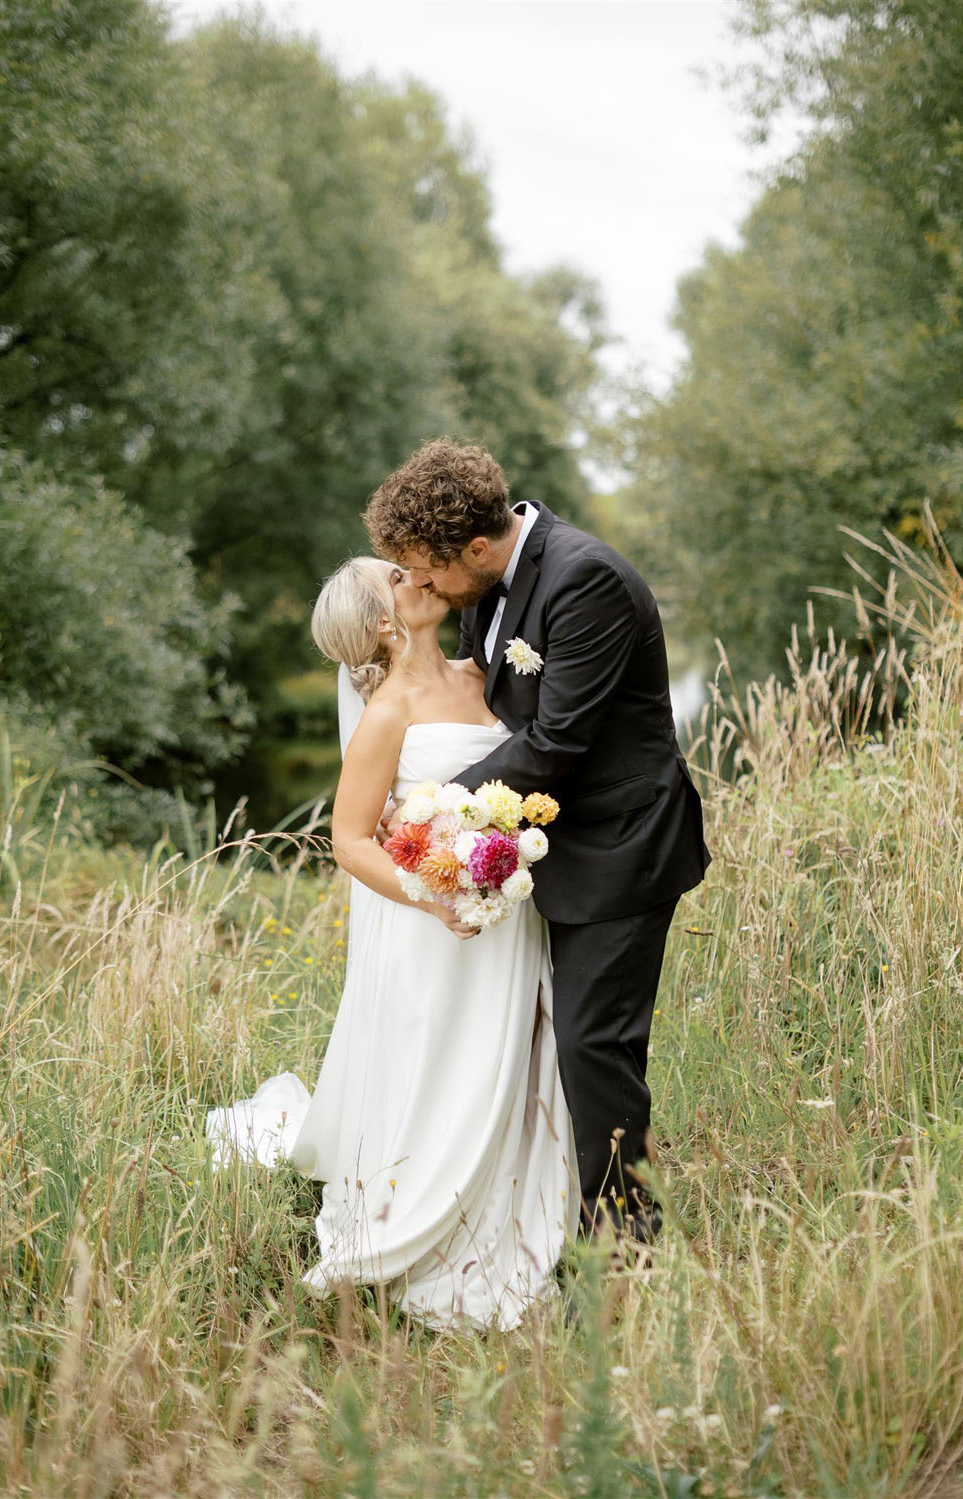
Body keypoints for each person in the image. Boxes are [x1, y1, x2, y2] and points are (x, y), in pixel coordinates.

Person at [206, 556, 579, 1332]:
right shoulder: (387, 712)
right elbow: (348, 839)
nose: (418, 569)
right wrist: (435, 898)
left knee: (508, 1056)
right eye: (398, 573)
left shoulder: (489, 672)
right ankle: (429, 1211)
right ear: (385, 620)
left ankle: (513, 1198)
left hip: (507, 914)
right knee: (441, 1060)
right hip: (433, 924)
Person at [363, 438, 711, 1242]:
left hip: (621, 848)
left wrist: (430, 809)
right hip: (543, 850)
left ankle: (625, 1242)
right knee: (547, 1037)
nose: (422, 585)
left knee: (595, 1043)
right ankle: (540, 1219)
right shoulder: (488, 585)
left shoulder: (584, 580)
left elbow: (554, 741)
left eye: (429, 571)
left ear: (478, 547)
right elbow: (491, 705)